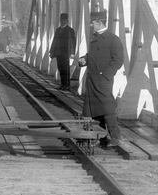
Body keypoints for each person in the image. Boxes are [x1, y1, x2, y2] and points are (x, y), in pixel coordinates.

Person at [80, 9, 126, 150]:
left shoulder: (113, 39)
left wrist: (105, 75)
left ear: (99, 23)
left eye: (92, 23)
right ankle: (101, 138)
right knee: (96, 110)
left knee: (107, 108)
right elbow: (95, 55)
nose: (91, 25)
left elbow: (118, 60)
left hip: (102, 80)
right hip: (92, 80)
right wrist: (85, 59)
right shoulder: (96, 37)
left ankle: (116, 137)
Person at [48, 13, 77, 90]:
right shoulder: (58, 30)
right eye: (61, 20)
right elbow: (54, 41)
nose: (62, 21)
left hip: (66, 53)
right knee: (60, 68)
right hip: (58, 53)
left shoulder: (70, 30)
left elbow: (73, 42)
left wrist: (72, 52)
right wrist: (52, 52)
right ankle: (62, 84)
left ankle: (67, 85)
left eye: (64, 20)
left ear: (67, 21)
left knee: (66, 69)